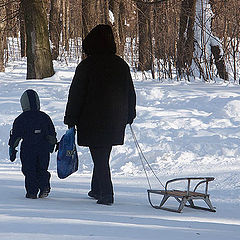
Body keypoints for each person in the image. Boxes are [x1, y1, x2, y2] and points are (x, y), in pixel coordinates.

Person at [64, 24, 136, 205]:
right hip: (115, 119)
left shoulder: (87, 66)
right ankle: (97, 189)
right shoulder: (121, 65)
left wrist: (71, 118)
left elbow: (76, 94)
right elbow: (130, 93)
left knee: (100, 157)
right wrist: (129, 114)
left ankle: (106, 193)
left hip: (92, 120)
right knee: (102, 155)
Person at [8, 89, 57, 199]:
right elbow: (51, 134)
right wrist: (51, 146)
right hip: (43, 148)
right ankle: (44, 186)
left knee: (29, 170)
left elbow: (15, 137)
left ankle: (32, 192)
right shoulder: (44, 117)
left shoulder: (21, 119)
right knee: (42, 168)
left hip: (28, 149)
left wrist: (12, 149)